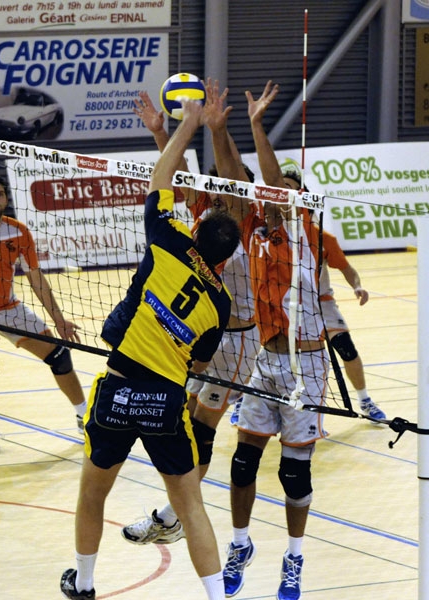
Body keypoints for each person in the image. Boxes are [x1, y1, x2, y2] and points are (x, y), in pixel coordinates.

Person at [60, 97, 241, 600]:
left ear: (197, 229)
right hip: (164, 400)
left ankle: (85, 583)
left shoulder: (168, 240)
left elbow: (161, 180)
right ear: (225, 259)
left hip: (118, 388)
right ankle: (218, 597)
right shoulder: (221, 304)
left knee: (93, 494)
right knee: (190, 506)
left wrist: (184, 127)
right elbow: (199, 363)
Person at [119, 87, 261, 546]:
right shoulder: (210, 215)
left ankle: (172, 517)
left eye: (224, 185)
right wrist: (163, 133)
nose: (215, 190)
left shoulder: (244, 218)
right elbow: (177, 179)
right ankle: (176, 511)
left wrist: (217, 130)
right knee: (183, 421)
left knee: (201, 430)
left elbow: (232, 176)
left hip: (237, 340)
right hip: (203, 337)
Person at [211, 80, 329, 600]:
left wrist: (257, 126)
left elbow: (271, 178)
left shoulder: (305, 230)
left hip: (306, 366)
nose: (277, 194)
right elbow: (239, 179)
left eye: (284, 190)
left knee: (294, 477)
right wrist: (220, 128)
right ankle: (241, 543)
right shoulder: (254, 225)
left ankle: (294, 558)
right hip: (266, 360)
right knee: (242, 463)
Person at [0, 174, 87, 453]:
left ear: (6, 199)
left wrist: (59, 321)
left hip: (8, 307)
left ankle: (85, 416)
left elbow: (36, 278)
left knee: (60, 355)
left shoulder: (19, 232)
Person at [278, 161, 387, 423]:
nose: (284, 194)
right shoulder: (271, 234)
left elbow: (348, 269)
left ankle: (364, 400)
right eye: (279, 189)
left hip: (320, 303)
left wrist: (357, 285)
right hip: (284, 304)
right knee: (273, 354)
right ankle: (248, 400)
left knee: (346, 349)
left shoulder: (321, 237)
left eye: (289, 188)